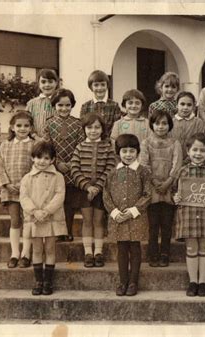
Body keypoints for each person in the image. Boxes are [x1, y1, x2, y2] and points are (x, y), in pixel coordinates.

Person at [172, 133, 205, 297]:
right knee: (191, 247)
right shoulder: (182, 171)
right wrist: (176, 197)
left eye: (202, 150)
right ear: (188, 151)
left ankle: (203, 281)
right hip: (188, 214)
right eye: (195, 150)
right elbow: (175, 190)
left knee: (204, 246)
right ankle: (192, 281)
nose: (198, 153)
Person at [103, 134, 152, 296]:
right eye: (125, 151)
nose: (128, 154)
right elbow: (106, 194)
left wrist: (133, 211)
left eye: (132, 151)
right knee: (122, 249)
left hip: (136, 218)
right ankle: (122, 281)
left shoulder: (143, 172)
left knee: (135, 248)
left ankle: (133, 282)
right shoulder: (112, 173)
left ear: (137, 152)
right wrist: (115, 212)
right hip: (118, 219)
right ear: (118, 152)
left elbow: (147, 194)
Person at [19, 141, 66, 296]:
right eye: (38, 157)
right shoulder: (27, 178)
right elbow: (24, 197)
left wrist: (46, 211)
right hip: (34, 219)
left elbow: (60, 195)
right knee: (37, 249)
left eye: (46, 158)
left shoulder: (58, 177)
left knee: (50, 249)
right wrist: (34, 211)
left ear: (52, 160)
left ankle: (48, 282)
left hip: (51, 218)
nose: (42, 161)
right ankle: (38, 281)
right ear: (33, 158)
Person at [70, 113, 116, 268]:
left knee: (98, 221)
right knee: (87, 221)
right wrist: (87, 186)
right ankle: (88, 252)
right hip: (84, 192)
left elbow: (110, 169)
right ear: (84, 129)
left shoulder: (107, 147)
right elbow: (75, 169)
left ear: (102, 129)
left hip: (101, 192)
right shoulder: (80, 147)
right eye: (89, 127)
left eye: (97, 127)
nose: (93, 131)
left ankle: (98, 252)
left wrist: (97, 187)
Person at [139, 110, 183, 267]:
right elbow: (144, 165)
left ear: (169, 125)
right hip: (152, 190)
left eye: (164, 123)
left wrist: (168, 182)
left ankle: (165, 253)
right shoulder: (146, 143)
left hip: (169, 189)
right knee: (153, 226)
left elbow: (177, 165)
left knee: (166, 225)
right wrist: (155, 182)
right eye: (157, 123)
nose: (161, 126)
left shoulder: (175, 143)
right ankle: (153, 254)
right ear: (152, 124)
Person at [43, 88, 84, 242]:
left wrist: (72, 163)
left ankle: (67, 230)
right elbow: (47, 146)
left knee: (69, 202)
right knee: (56, 200)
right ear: (55, 105)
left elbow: (81, 145)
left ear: (72, 105)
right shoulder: (49, 123)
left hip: (72, 168)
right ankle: (57, 231)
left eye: (67, 105)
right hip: (55, 167)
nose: (64, 108)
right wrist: (57, 162)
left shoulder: (78, 124)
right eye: (60, 105)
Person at [0, 110, 35, 269]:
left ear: (31, 128)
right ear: (12, 127)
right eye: (18, 125)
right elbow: (0, 167)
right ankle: (14, 253)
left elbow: (37, 166)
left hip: (29, 190)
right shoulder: (5, 145)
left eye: (26, 126)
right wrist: (6, 184)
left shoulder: (34, 145)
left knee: (28, 221)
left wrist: (25, 185)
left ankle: (26, 254)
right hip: (10, 190)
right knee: (15, 221)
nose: (22, 128)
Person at [80, 70, 122, 136]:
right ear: (91, 87)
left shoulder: (114, 106)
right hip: (91, 141)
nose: (99, 88)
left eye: (103, 85)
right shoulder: (85, 106)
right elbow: (83, 126)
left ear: (107, 86)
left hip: (109, 142)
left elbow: (117, 127)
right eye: (96, 85)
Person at [170, 91, 205, 159]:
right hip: (173, 157)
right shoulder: (171, 122)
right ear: (177, 105)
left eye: (189, 105)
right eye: (182, 104)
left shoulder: (198, 123)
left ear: (193, 106)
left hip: (193, 158)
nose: (185, 107)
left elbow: (200, 141)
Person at [26, 69, 59, 139]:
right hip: (35, 140)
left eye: (50, 82)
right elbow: (26, 122)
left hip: (55, 141)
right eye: (43, 82)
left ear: (56, 83)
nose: (47, 85)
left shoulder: (59, 102)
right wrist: (35, 137)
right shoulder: (31, 103)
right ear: (38, 84)